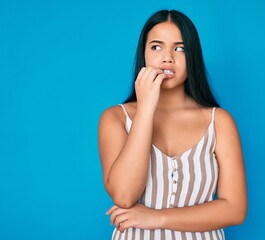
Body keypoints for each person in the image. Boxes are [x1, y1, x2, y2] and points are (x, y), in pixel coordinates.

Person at [98, 9, 247, 240]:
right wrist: (146, 108)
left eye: (180, 48)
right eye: (156, 47)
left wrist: (156, 217)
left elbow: (235, 209)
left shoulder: (219, 121)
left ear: (193, 56)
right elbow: (124, 196)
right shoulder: (115, 118)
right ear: (143, 54)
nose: (167, 57)